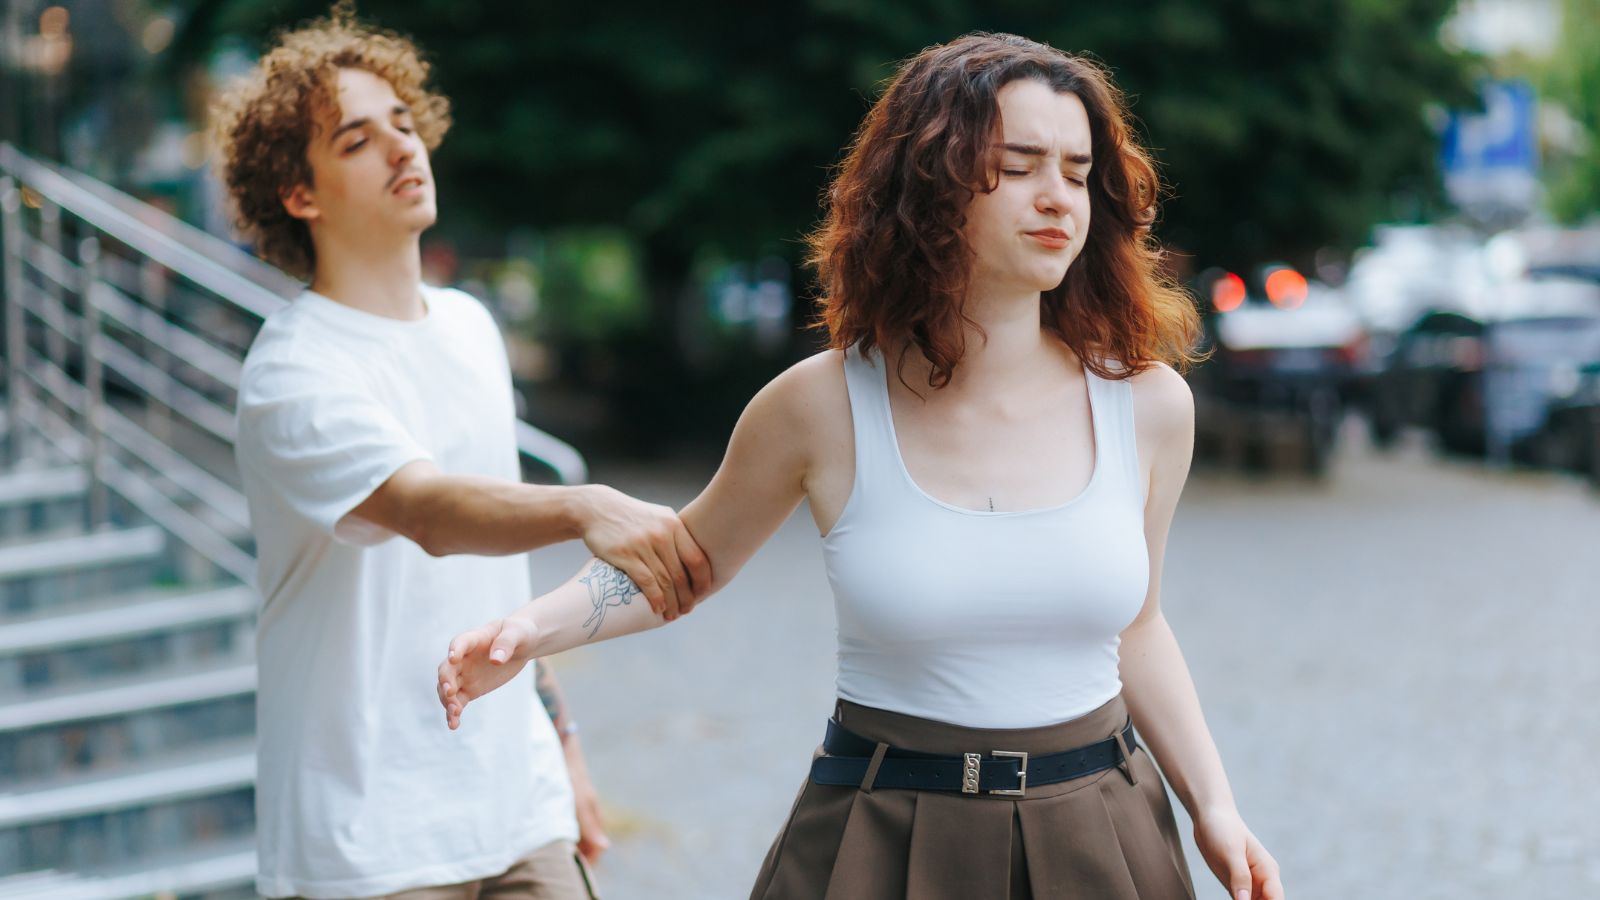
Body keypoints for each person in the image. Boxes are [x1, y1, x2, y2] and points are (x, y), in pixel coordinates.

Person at [437, 33, 1284, 900]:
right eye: (1018, 166)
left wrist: (1213, 806)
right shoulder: (820, 403)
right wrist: (526, 632)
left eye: (1077, 172)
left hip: (1099, 834)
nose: (1056, 197)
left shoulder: (1147, 406)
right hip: (882, 836)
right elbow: (685, 561)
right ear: (933, 182)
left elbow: (1138, 626)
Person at [214, 7, 710, 898]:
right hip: (371, 843)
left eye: (404, 123)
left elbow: (490, 584)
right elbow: (430, 512)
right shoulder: (294, 369)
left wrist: (563, 745)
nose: (401, 147)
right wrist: (585, 506)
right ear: (300, 195)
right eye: (358, 140)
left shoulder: (470, 328)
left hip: (519, 808)